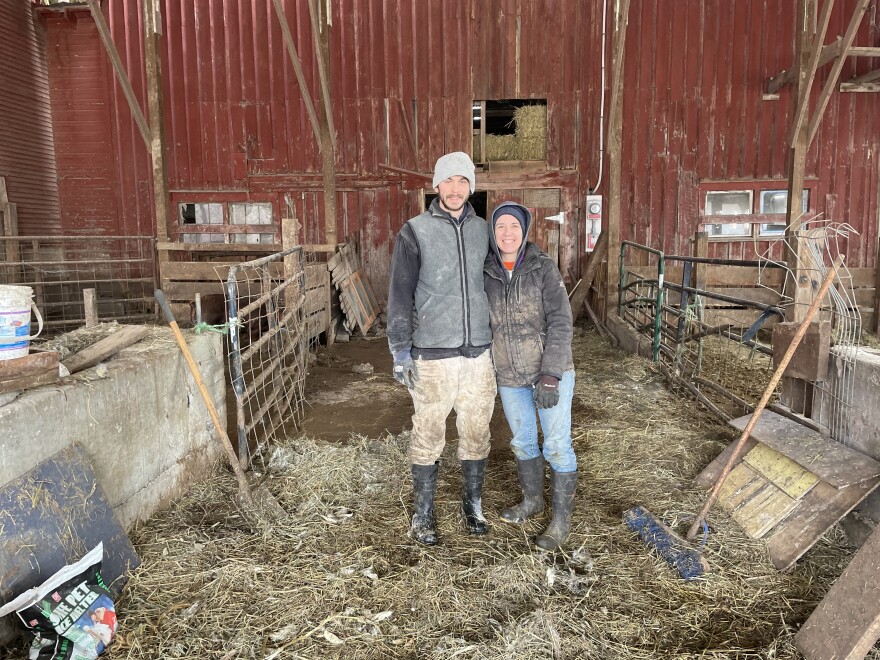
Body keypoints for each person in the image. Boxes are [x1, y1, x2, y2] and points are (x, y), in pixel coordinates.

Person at [387, 151, 497, 546]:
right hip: (432, 354)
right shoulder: (414, 231)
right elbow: (399, 295)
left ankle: (473, 506)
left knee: (476, 429)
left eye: (462, 181)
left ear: (471, 186)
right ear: (436, 186)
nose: (455, 189)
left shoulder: (483, 229)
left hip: (478, 353)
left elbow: (499, 278)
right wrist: (400, 349)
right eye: (448, 181)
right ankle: (424, 513)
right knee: (429, 431)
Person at [484, 201, 577, 551]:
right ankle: (533, 501)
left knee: (556, 444)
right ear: (493, 233)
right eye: (500, 227)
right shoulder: (487, 270)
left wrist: (551, 374)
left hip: (548, 373)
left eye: (514, 227)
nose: (507, 233)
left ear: (524, 232)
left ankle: (560, 520)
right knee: (523, 441)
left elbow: (561, 321)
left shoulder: (542, 267)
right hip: (509, 375)